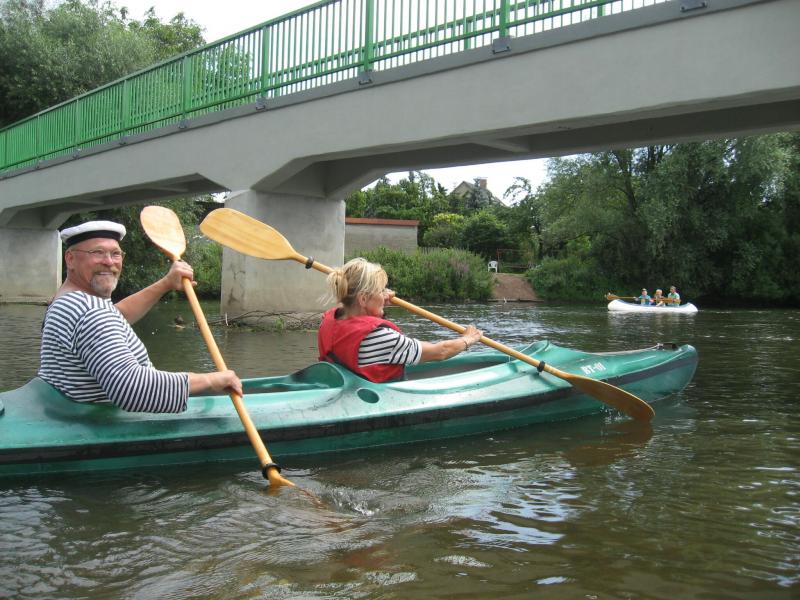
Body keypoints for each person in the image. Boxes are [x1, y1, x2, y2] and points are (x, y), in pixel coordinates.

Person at [38, 220, 242, 412]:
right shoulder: (91, 313)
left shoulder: (66, 301)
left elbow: (115, 316)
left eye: (115, 254)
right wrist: (211, 380)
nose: (109, 262)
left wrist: (166, 284)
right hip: (101, 426)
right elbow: (131, 389)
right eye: (97, 252)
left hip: (72, 414)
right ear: (70, 259)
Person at [318, 257, 483, 383]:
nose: (385, 294)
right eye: (381, 291)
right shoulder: (382, 338)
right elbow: (440, 352)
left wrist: (378, 303)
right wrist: (467, 339)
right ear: (363, 299)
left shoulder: (327, 322)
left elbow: (359, 325)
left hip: (346, 388)